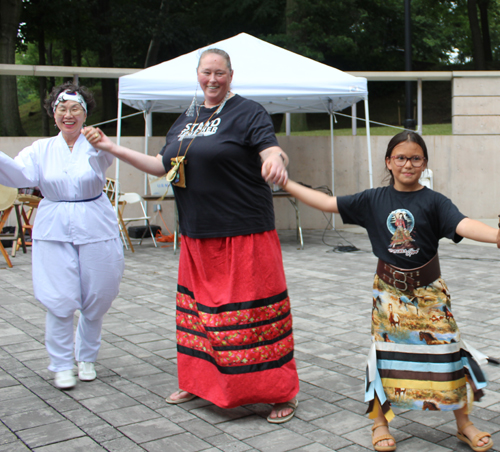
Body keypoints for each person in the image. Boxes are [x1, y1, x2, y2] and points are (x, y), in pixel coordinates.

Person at [82, 48, 300, 423]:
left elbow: (273, 149)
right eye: (206, 73)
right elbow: (161, 166)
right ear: (197, 75)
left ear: (231, 75)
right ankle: (199, 382)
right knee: (199, 315)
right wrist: (109, 146)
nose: (212, 80)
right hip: (198, 234)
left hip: (243, 232)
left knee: (255, 314)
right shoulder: (187, 117)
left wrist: (274, 162)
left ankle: (278, 392)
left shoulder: (248, 112)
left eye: (219, 73)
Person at [283, 131, 495, 451]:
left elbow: (463, 224)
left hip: (430, 293)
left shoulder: (435, 202)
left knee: (450, 351)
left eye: (415, 158)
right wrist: (286, 183)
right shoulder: (373, 200)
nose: (408, 164)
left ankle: (463, 423)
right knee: (385, 357)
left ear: (425, 163)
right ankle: (380, 423)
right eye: (401, 157)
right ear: (388, 161)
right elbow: (328, 202)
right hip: (388, 296)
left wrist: (496, 236)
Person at [0, 83, 124, 390]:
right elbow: (19, 175)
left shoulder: (96, 143)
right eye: (62, 109)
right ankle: (61, 363)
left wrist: (100, 143)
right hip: (54, 224)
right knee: (59, 297)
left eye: (75, 109)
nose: (68, 115)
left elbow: (103, 159)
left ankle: (87, 357)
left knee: (98, 294)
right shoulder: (40, 149)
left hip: (95, 222)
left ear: (85, 113)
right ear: (53, 113)